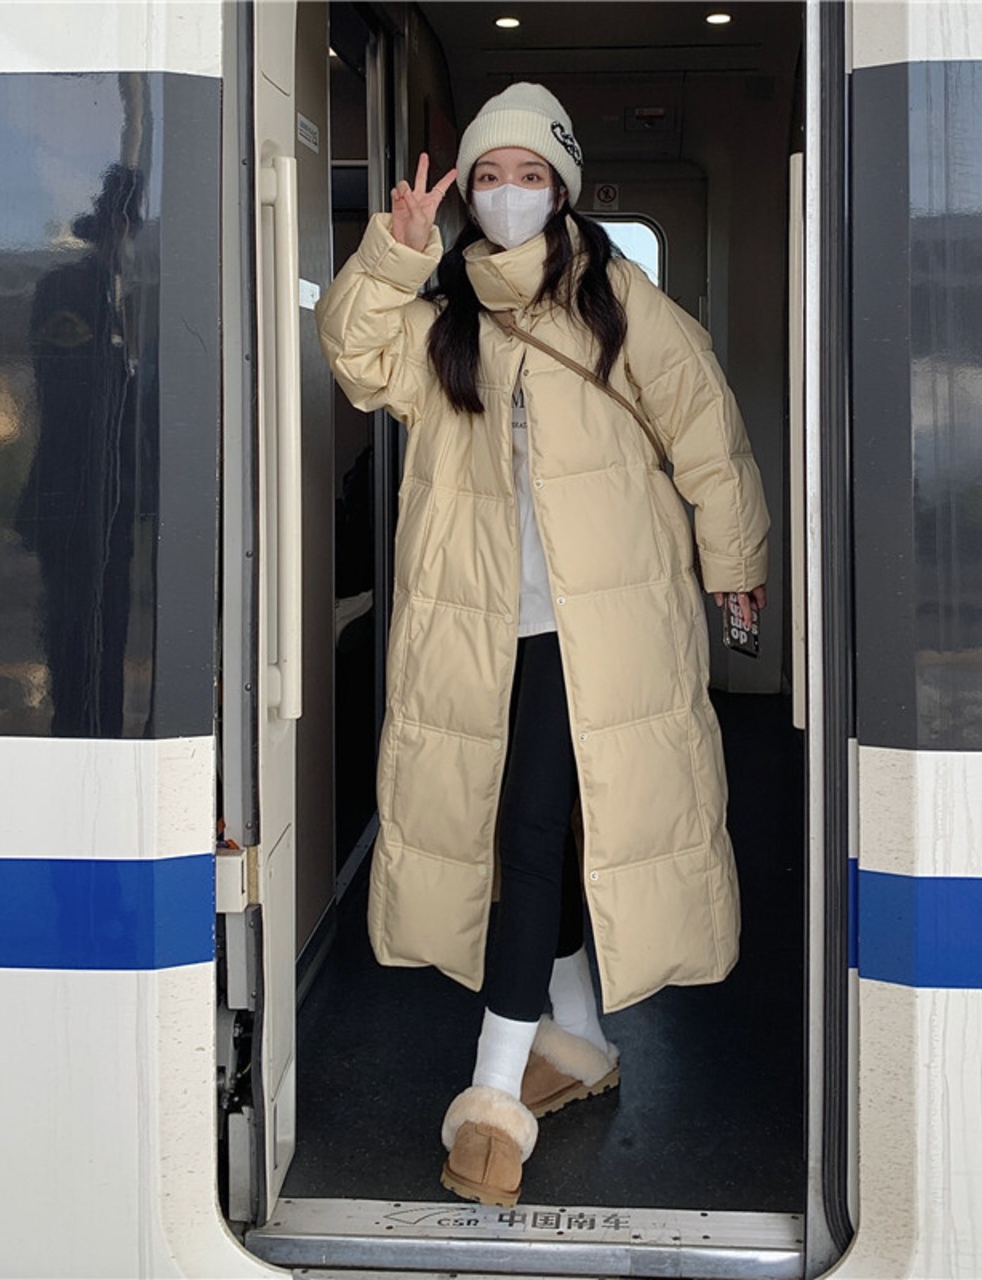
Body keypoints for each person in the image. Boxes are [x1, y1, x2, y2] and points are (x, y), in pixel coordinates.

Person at [317, 83, 769, 1207]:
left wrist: (735, 563)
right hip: (482, 628)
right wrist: (393, 253)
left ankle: (492, 1091)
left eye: (529, 175)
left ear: (561, 189)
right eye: (489, 176)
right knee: (518, 829)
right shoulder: (444, 314)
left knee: (524, 832)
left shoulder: (617, 300)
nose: (508, 194)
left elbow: (706, 429)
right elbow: (354, 358)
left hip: (600, 625)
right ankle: (580, 1040)